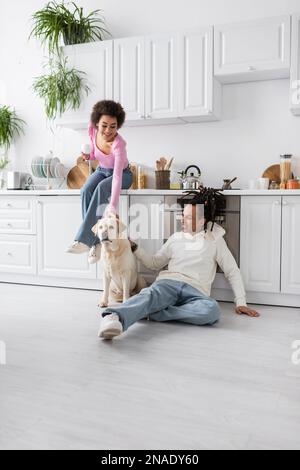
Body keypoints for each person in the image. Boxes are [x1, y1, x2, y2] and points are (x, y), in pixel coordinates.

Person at [98, 189, 260, 340]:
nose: (182, 219)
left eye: (188, 217)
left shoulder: (215, 240)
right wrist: (134, 247)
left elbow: (232, 270)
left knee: (212, 311)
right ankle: (114, 317)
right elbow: (154, 263)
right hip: (169, 283)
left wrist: (241, 302)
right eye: (183, 214)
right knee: (149, 294)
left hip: (196, 292)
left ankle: (156, 312)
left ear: (202, 220)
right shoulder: (176, 238)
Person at [67, 100, 133, 264]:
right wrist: (88, 156)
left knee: (102, 188)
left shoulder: (119, 145)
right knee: (86, 190)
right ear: (96, 123)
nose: (108, 130)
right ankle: (94, 242)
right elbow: (96, 156)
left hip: (123, 175)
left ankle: (83, 240)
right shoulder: (92, 131)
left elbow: (117, 176)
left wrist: (112, 206)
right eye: (104, 125)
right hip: (102, 170)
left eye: (113, 126)